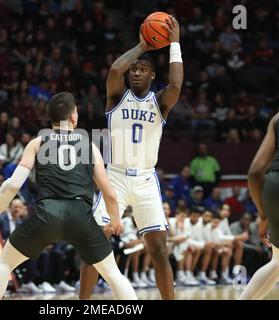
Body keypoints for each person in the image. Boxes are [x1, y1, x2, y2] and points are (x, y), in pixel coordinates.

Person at [0, 92, 137, 300]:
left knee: (4, 264)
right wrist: (115, 220)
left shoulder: (37, 143)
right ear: (73, 117)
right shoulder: (90, 146)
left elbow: (12, 184)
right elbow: (110, 194)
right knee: (113, 273)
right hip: (81, 215)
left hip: (47, 215)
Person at [80, 15, 183, 301]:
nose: (136, 72)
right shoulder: (116, 98)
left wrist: (174, 44)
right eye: (134, 70)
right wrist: (141, 47)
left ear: (152, 76)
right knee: (95, 243)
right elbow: (114, 69)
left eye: (143, 69)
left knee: (159, 250)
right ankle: (83, 302)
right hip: (115, 177)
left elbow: (175, 85)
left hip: (146, 180)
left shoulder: (160, 102)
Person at [240, 113, 279, 299]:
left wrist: (263, 215)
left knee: (278, 262)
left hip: (274, 189)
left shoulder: (277, 119)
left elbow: (255, 173)